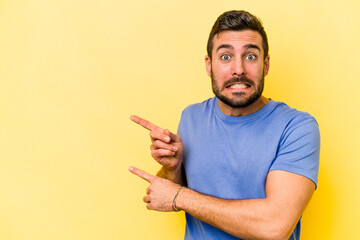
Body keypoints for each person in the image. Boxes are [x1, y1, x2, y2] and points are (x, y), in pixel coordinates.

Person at [129, 10, 320, 240]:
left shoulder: (296, 127)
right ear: (209, 65)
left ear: (266, 65)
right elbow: (169, 191)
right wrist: (173, 167)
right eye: (226, 57)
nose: (238, 69)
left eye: (250, 56)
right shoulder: (191, 117)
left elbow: (275, 227)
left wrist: (180, 196)